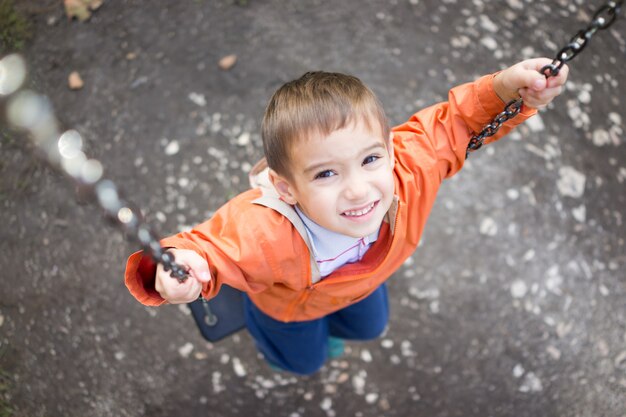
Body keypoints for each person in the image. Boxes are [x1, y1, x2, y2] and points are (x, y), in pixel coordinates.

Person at [124, 58, 568, 375]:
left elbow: (456, 123)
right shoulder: (266, 230)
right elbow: (208, 246)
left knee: (371, 326)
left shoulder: (407, 170)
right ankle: (259, 317)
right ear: (286, 188)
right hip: (289, 308)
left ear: (390, 150)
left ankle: (325, 325)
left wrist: (507, 89)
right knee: (304, 361)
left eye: (370, 160)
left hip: (360, 284)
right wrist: (180, 266)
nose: (358, 188)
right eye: (326, 173)